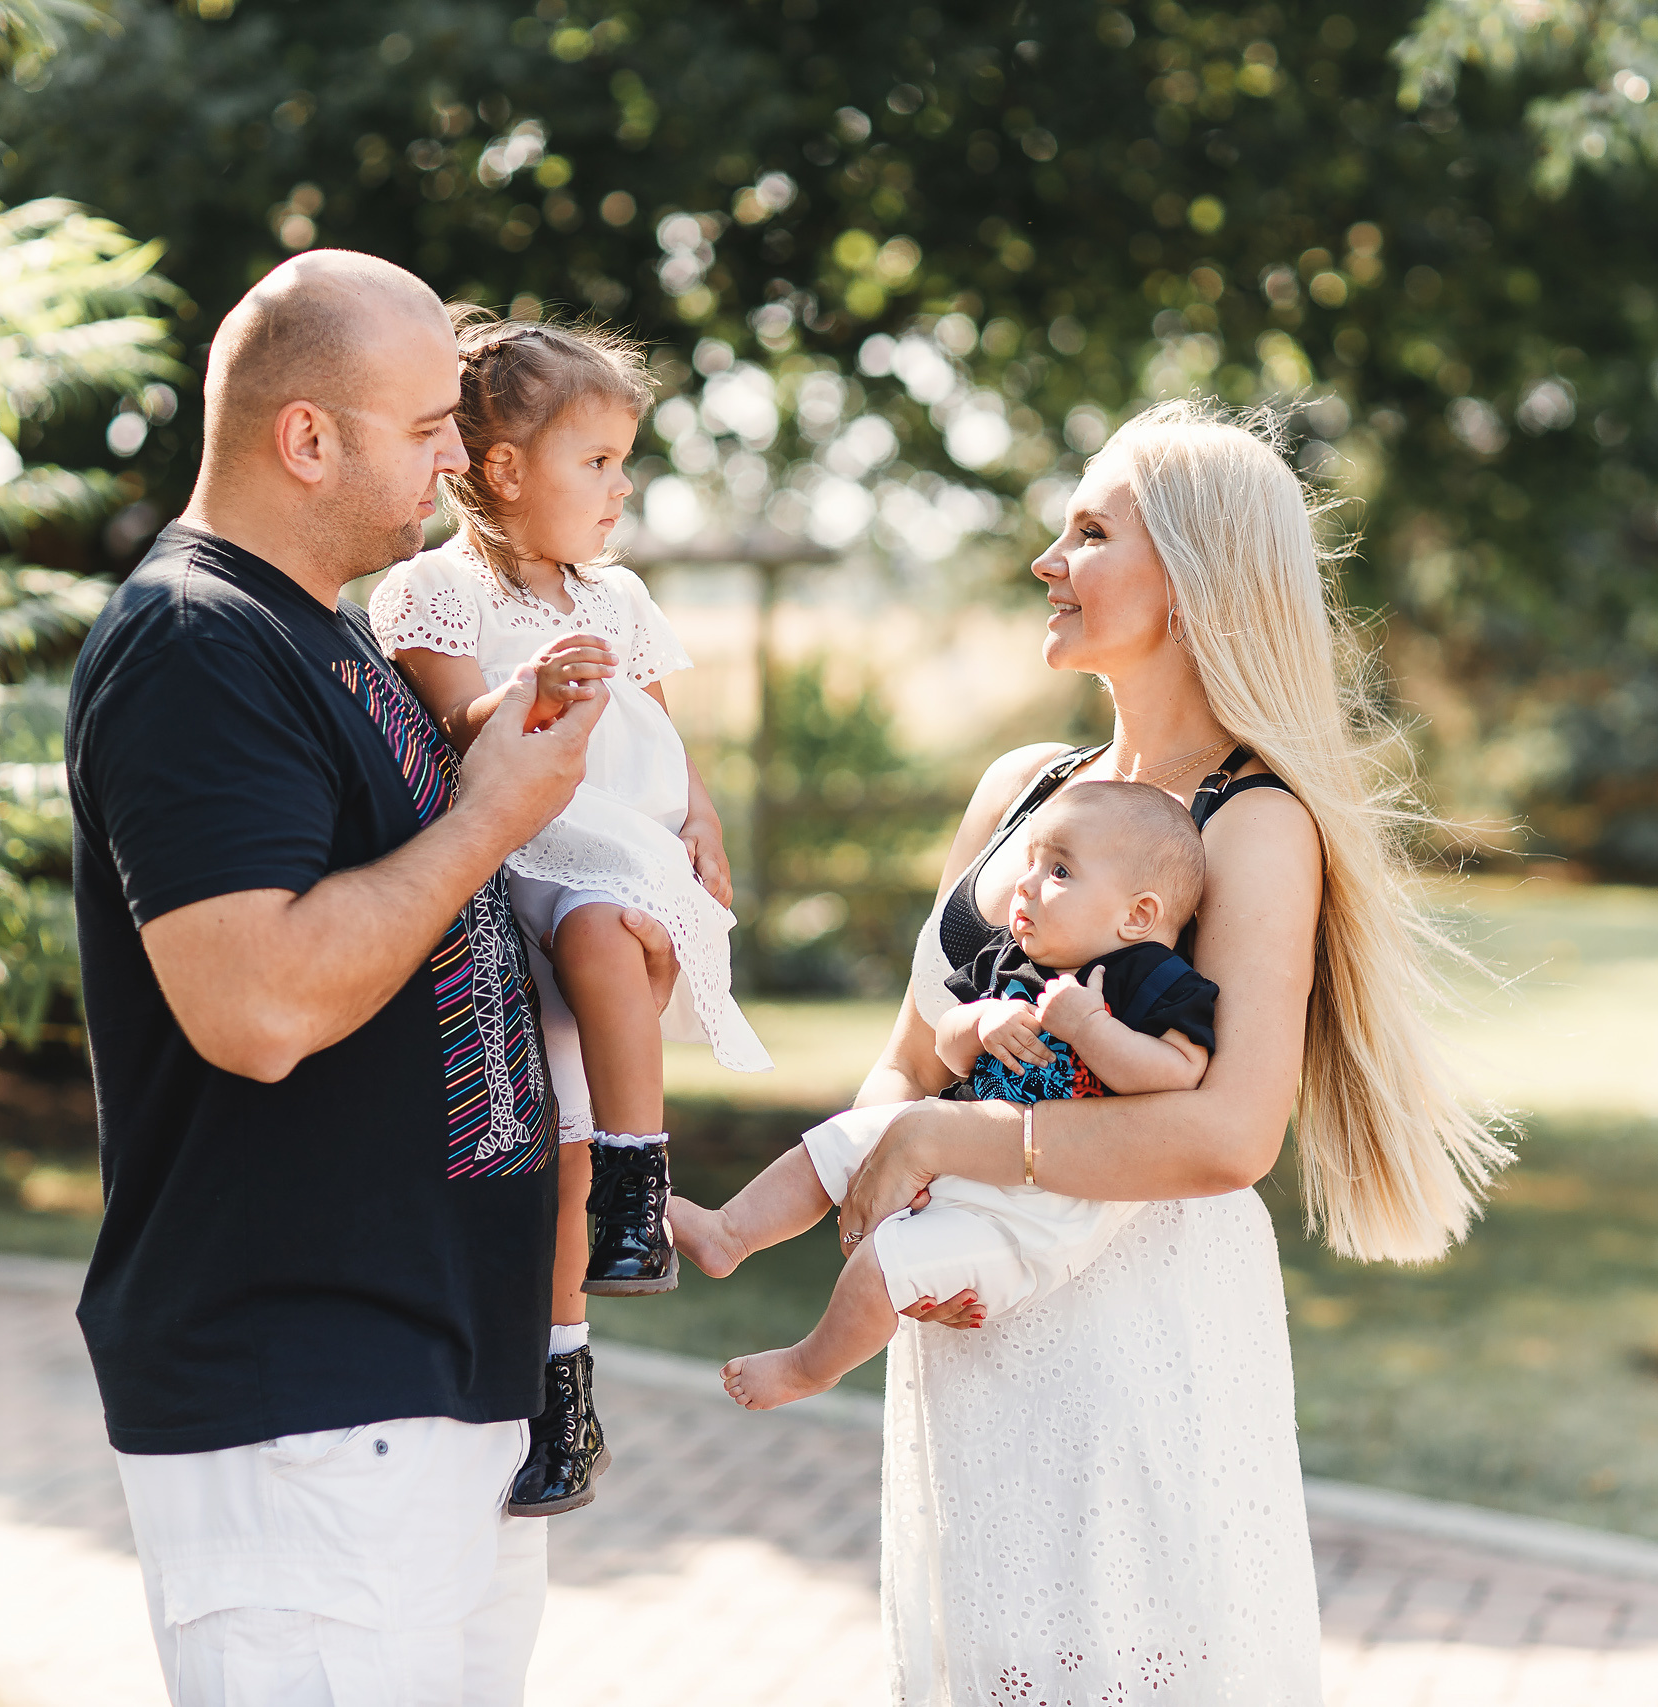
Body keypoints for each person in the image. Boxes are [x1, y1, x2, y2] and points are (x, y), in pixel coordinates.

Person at [832, 400, 1513, 1704]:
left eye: (1089, 530)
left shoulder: (1255, 826)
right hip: (971, 1327)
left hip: (1137, 1340)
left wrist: (945, 1143)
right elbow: (909, 1063)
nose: (1048, 556)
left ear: (1198, 582)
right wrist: (886, 1188)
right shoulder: (1019, 792)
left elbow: (1225, 1132)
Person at [65, 250, 673, 1706]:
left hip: (434, 1386)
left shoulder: (325, 633)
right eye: (425, 427)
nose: (462, 455)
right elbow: (259, 1003)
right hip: (310, 1401)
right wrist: (489, 818)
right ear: (307, 438)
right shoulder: (194, 645)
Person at [369, 309, 768, 1517]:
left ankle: (638, 1192)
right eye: (594, 463)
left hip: (613, 858)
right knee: (545, 1165)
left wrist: (700, 819)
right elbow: (451, 726)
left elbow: (661, 732)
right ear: (502, 470)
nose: (619, 487)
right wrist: (524, 690)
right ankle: (561, 1396)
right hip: (519, 858)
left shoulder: (623, 596)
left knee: (593, 1022)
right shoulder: (433, 591)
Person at [670, 780, 1219, 1412]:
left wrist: (1090, 1028)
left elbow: (1180, 1074)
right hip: (958, 1152)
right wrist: (980, 1022)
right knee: (843, 1138)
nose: (1027, 883)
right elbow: (948, 1053)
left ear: (1138, 916)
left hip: (1040, 1208)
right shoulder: (1011, 959)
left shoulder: (1151, 976)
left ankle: (807, 1367)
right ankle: (730, 1231)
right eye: (1032, 862)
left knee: (889, 1264)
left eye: (1060, 870)